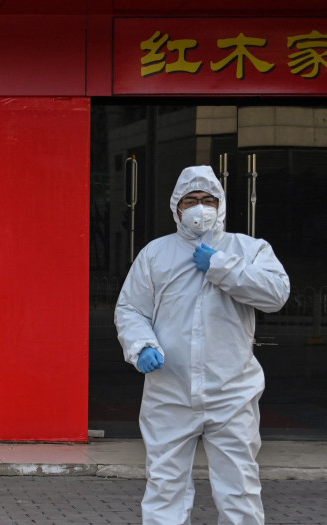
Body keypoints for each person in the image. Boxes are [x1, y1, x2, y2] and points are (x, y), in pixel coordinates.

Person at [115, 165, 289, 525]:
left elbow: (276, 294)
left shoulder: (248, 249)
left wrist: (221, 266)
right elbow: (130, 308)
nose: (199, 207)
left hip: (232, 391)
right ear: (176, 207)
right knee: (165, 485)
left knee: (239, 487)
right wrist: (141, 344)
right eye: (190, 200)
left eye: (208, 199)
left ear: (221, 204)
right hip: (170, 390)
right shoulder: (155, 254)